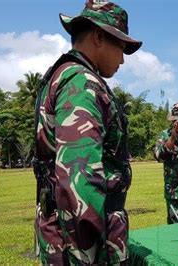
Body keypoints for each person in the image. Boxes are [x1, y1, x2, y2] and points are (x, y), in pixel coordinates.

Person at [32, 1, 142, 264]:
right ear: (99, 36)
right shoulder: (82, 82)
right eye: (122, 48)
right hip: (82, 242)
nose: (123, 60)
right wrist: (93, 252)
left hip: (60, 232)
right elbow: (79, 177)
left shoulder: (61, 75)